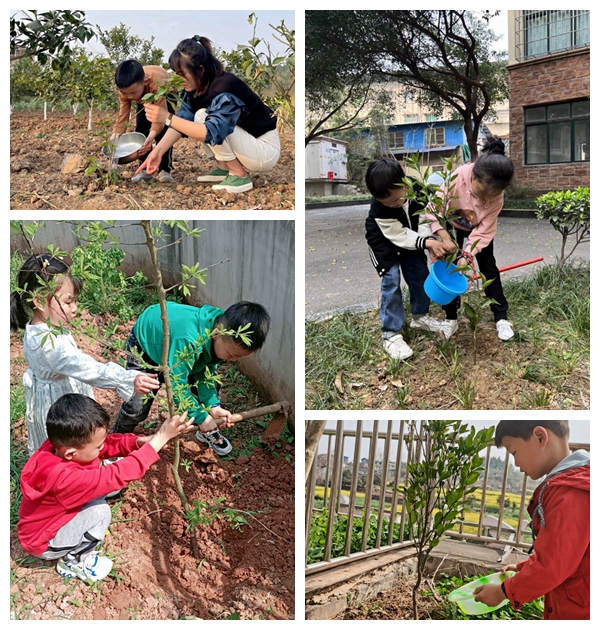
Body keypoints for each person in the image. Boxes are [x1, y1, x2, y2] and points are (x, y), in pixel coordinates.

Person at [18, 394, 195, 583]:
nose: (101, 448)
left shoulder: (58, 447)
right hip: (43, 542)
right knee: (100, 512)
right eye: (97, 446)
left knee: (106, 482)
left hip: (48, 518)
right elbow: (118, 474)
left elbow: (106, 445)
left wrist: (140, 442)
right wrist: (160, 438)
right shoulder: (66, 480)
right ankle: (74, 562)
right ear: (71, 453)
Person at [10, 254, 159, 455]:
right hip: (61, 403)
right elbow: (85, 367)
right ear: (38, 300)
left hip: (52, 394)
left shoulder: (41, 327)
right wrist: (127, 378)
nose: (75, 309)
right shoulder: (50, 345)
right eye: (68, 301)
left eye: (75, 301)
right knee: (71, 443)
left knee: (60, 447)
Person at [112, 301, 270, 456]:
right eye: (231, 355)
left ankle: (207, 428)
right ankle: (115, 444)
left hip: (177, 348)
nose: (233, 360)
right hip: (147, 345)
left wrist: (212, 407)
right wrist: (201, 416)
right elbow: (176, 385)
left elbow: (203, 373)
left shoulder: (223, 332)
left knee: (211, 384)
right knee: (137, 405)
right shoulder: (189, 339)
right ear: (217, 334)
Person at [474, 420, 589, 620]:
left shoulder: (570, 493)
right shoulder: (575, 483)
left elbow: (552, 566)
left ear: (540, 437)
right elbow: (561, 552)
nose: (517, 465)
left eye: (514, 453)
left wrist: (504, 591)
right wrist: (523, 568)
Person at [136, 36, 281, 194]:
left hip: (264, 150)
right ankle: (224, 166)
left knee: (202, 117)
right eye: (176, 73)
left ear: (201, 69)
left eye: (182, 74)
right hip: (249, 142)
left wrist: (167, 118)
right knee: (198, 116)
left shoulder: (224, 87)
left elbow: (211, 132)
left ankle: (238, 174)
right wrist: (157, 152)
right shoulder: (196, 87)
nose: (178, 79)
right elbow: (182, 121)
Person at [423, 136, 515, 341]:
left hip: (477, 228)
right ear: (473, 176)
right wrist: (445, 238)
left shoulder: (496, 197)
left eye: (492, 195)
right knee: (449, 267)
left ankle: (501, 317)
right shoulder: (457, 178)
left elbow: (484, 230)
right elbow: (433, 210)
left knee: (488, 268)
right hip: (451, 223)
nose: (485, 199)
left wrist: (467, 254)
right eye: (481, 192)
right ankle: (450, 319)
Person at [364, 158, 453, 360]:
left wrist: (429, 240)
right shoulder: (379, 208)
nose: (392, 205)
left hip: (414, 236)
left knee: (418, 273)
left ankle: (420, 316)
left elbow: (424, 218)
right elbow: (398, 235)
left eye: (395, 200)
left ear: (405, 185)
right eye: (385, 202)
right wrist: (427, 243)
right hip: (384, 242)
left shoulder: (419, 191)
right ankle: (391, 333)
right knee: (391, 280)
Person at [112, 59, 175, 184]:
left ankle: (165, 169)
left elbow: (160, 121)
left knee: (164, 132)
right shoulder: (129, 91)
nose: (129, 97)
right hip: (143, 96)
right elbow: (123, 117)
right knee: (141, 128)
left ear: (144, 82)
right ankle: (145, 169)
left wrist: (151, 137)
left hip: (166, 93)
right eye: (125, 93)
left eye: (133, 92)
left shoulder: (156, 84)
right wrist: (113, 141)